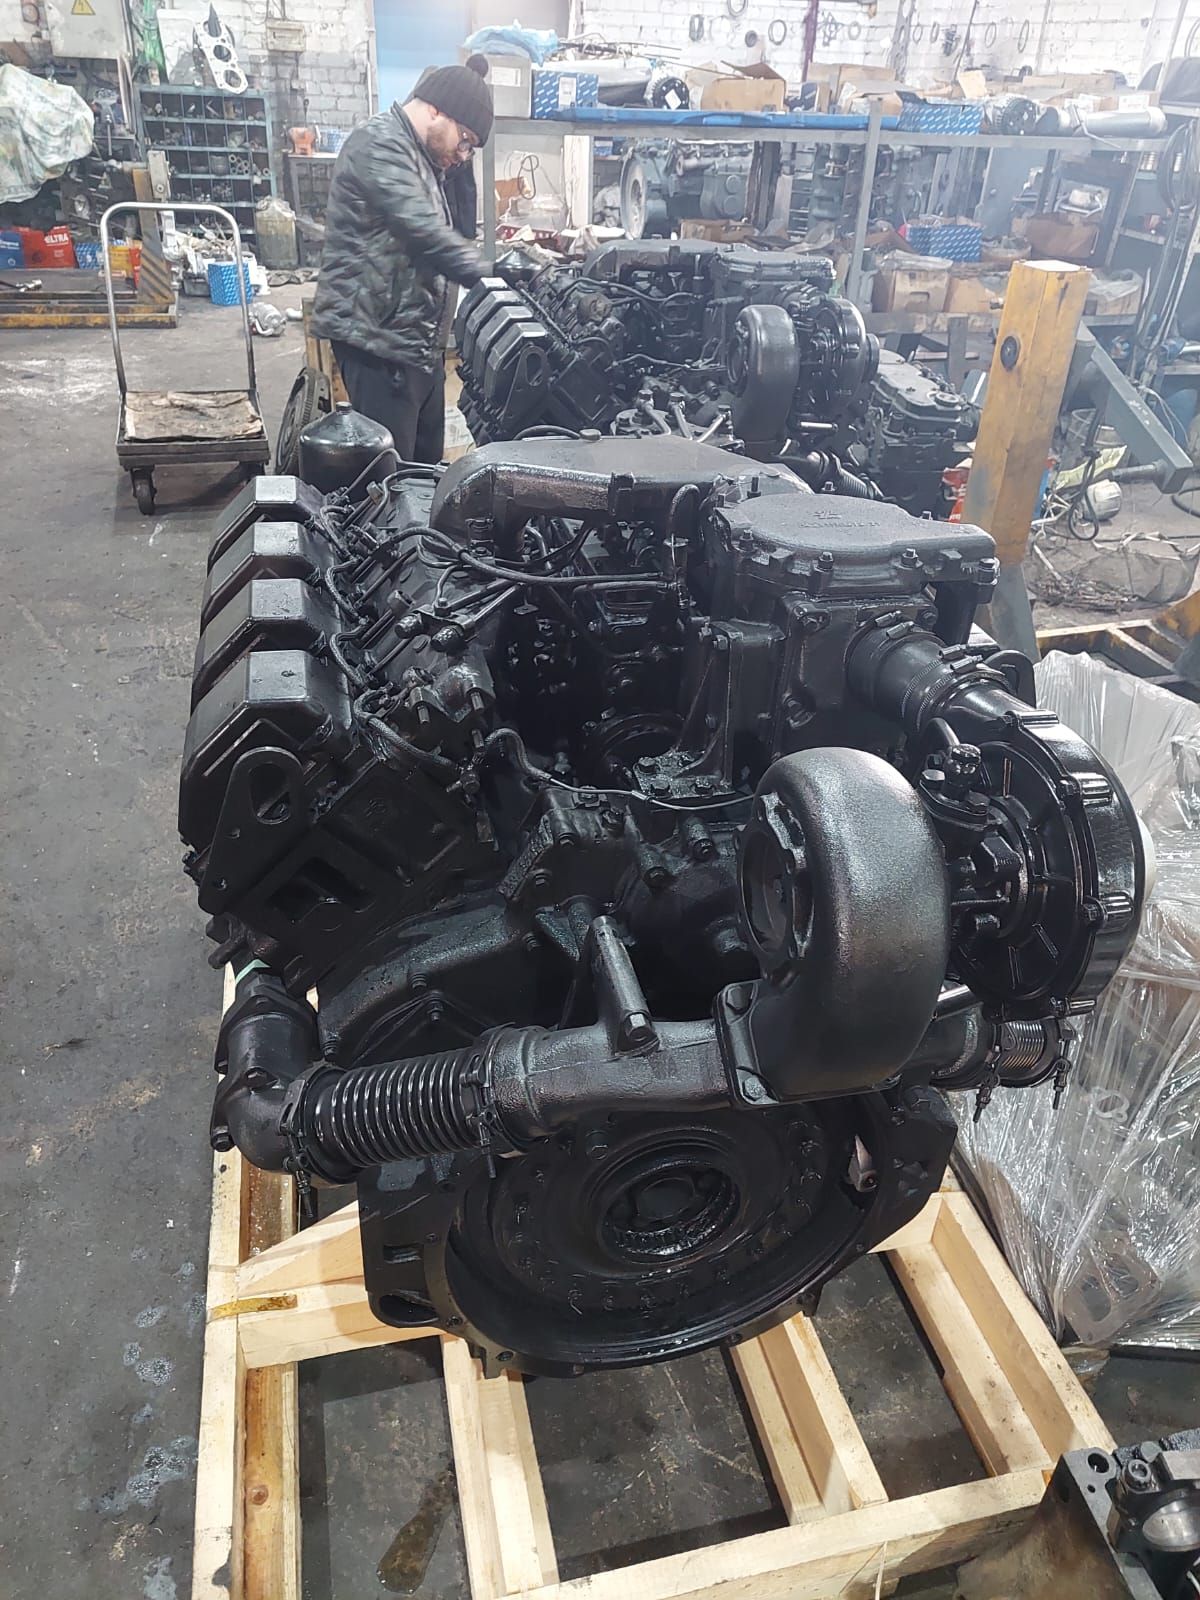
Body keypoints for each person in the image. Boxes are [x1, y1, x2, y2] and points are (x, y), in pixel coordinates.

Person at [312, 59, 493, 463]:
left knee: (424, 477)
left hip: (415, 348)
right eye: (464, 139)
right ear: (437, 109)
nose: (463, 154)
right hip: (380, 346)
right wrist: (495, 273)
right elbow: (424, 231)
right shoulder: (379, 143)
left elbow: (453, 229)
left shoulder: (423, 159)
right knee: (389, 483)